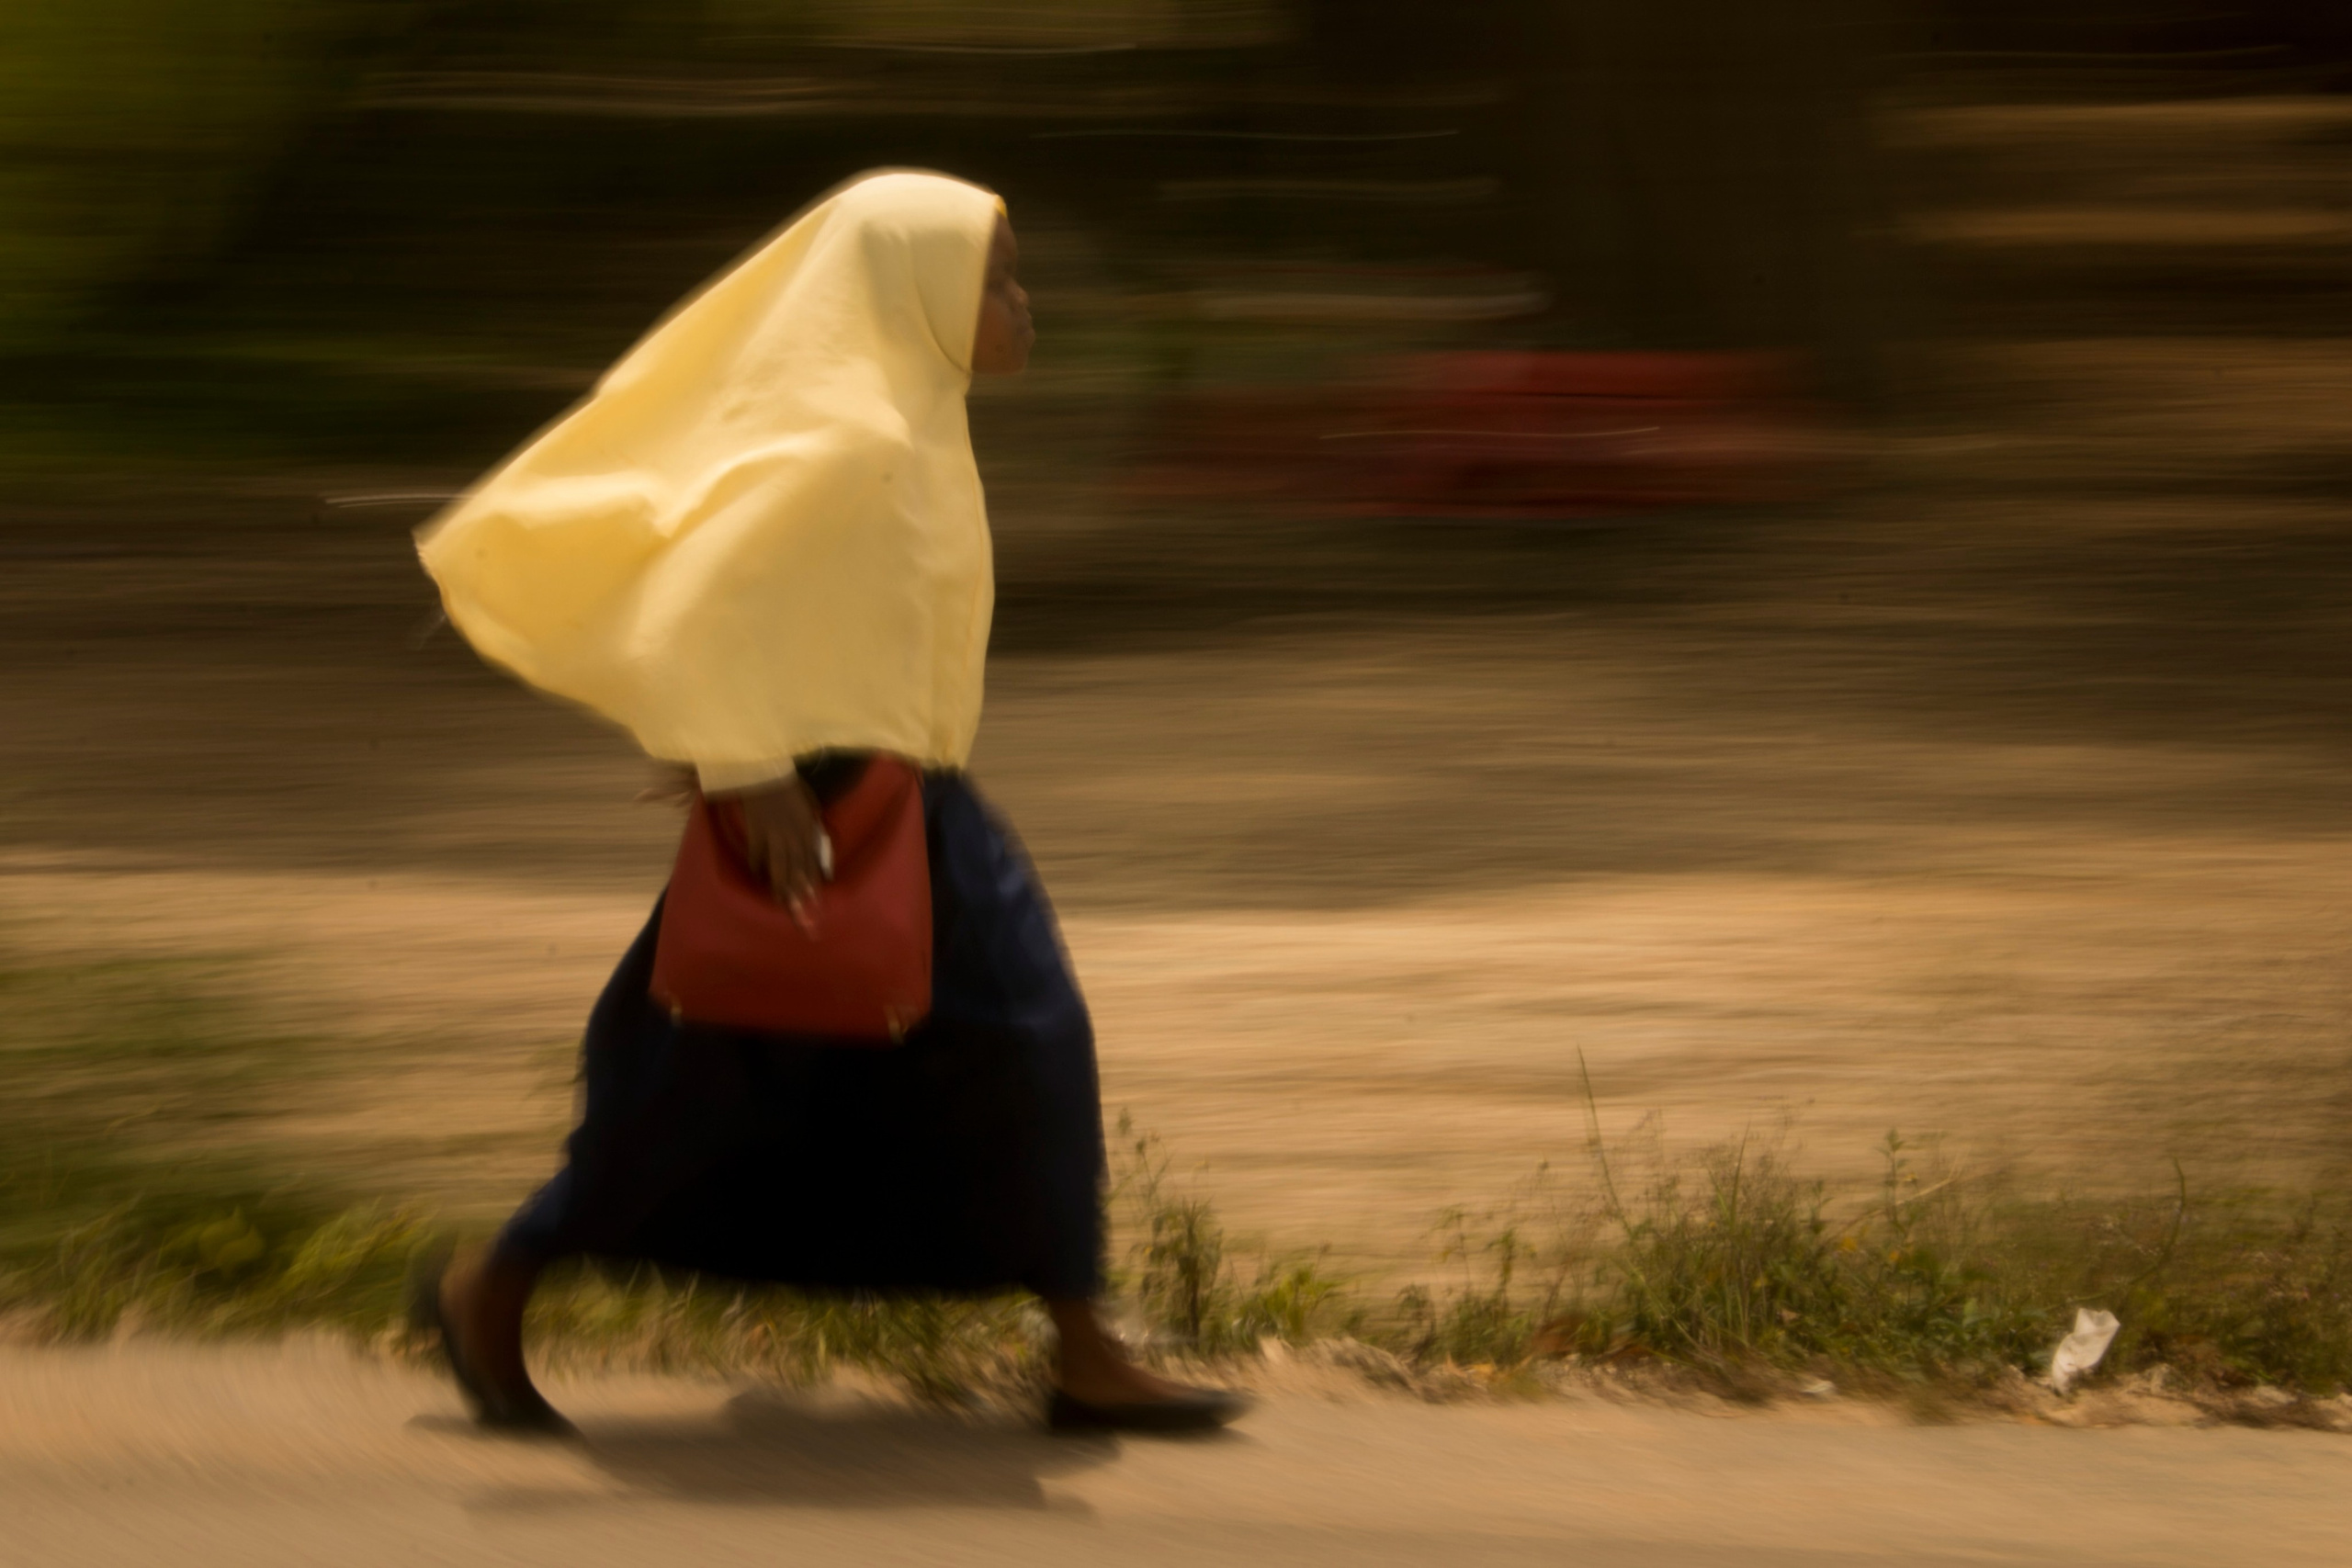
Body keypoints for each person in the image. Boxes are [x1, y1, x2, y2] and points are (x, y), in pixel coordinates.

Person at [410, 170, 1244, 1436]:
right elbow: (698, 599)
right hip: (839, 810)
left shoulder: (901, 424)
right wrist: (745, 769)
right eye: (999, 281)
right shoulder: (853, 439)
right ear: (910, 295)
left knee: (738, 1085)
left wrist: (743, 747)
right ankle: (1081, 1347)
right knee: (1008, 1041)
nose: (1027, 308)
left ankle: (501, 1280)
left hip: (895, 796)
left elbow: (802, 615)